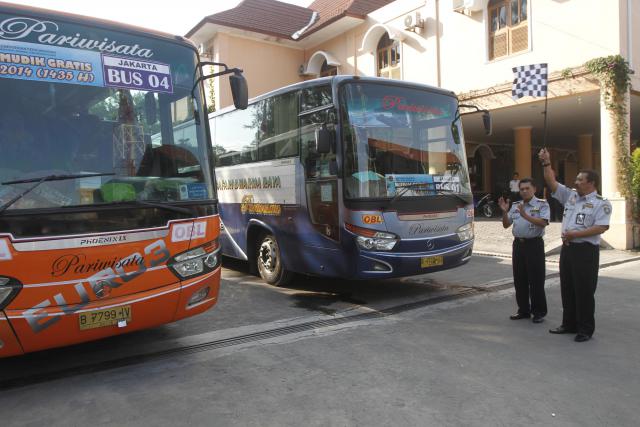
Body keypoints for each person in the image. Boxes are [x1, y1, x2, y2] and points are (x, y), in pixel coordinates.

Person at [538, 148, 612, 342]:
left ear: (591, 183)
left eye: (580, 179)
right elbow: (551, 182)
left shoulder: (600, 203)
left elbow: (601, 227)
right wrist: (546, 162)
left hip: (586, 251)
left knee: (584, 290)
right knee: (568, 287)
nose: (576, 182)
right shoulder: (570, 196)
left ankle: (585, 329)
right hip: (568, 250)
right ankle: (569, 324)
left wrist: (575, 234)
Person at [499, 178, 550, 323]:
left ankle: (539, 311)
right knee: (519, 279)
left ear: (534, 189)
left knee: (536, 279)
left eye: (527, 188)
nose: (524, 191)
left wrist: (525, 215)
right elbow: (506, 224)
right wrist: (504, 212)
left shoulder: (542, 204)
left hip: (534, 245)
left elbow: (543, 223)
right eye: (522, 189)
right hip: (518, 245)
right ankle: (523, 310)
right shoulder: (516, 205)